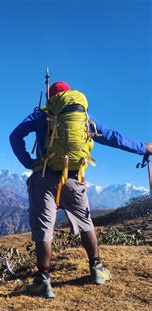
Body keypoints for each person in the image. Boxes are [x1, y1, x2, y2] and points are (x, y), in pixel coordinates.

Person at [9, 81, 152, 299]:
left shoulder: (42, 115)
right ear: (70, 95)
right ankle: (96, 270)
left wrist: (28, 162)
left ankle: (43, 281)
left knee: (44, 230)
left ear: (51, 97)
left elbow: (15, 136)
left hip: (45, 176)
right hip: (74, 178)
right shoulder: (84, 117)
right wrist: (143, 148)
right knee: (86, 224)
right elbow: (113, 137)